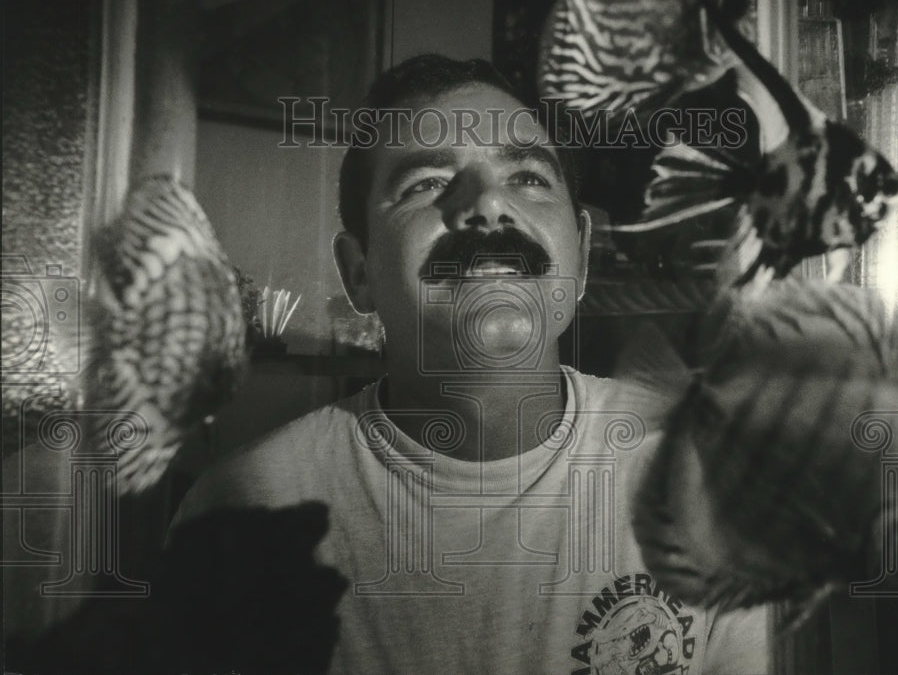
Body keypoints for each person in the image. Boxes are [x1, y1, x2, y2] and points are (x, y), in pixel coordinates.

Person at [163, 55, 770, 675]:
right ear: (359, 273)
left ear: (582, 256)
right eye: (425, 183)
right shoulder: (240, 516)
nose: (486, 207)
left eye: (529, 177)